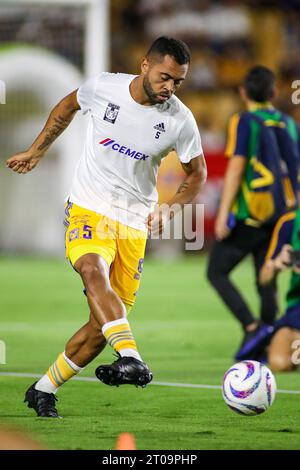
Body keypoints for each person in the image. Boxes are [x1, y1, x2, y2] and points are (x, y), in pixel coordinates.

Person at [6, 36, 207, 418]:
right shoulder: (104, 87)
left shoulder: (180, 120)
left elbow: (197, 174)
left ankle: (43, 388)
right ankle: (132, 356)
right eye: (165, 77)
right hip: (88, 205)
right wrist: (38, 149)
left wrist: (171, 208)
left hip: (134, 221)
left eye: (178, 82)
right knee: (91, 269)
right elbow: (66, 106)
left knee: (103, 326)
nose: (170, 88)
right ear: (144, 64)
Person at [207, 65, 300, 357]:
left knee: (216, 272)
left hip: (252, 216)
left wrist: (223, 213)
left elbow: (236, 168)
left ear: (243, 92)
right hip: (284, 215)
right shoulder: (288, 122)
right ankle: (268, 338)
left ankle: (251, 326)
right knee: (266, 280)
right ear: (273, 92)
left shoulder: (244, 121)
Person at [237, 209, 300, 371]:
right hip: (296, 307)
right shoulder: (289, 222)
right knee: (279, 363)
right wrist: (276, 266)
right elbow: (264, 279)